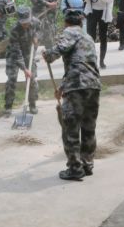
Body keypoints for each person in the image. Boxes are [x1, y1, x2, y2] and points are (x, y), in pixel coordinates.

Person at [42, 9, 101, 181]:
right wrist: (62, 87)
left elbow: (60, 49)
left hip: (77, 87)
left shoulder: (69, 32)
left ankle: (75, 168)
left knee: (71, 128)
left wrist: (49, 54)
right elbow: (80, 64)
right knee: (89, 127)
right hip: (93, 86)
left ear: (66, 22)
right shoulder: (88, 37)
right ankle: (87, 164)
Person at [4, 7, 39, 116]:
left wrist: (36, 37)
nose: (25, 25)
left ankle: (32, 105)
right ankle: (8, 107)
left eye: (27, 22)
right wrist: (24, 69)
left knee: (32, 80)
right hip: (14, 55)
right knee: (11, 80)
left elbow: (40, 30)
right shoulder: (14, 29)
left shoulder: (36, 22)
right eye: (23, 23)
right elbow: (16, 51)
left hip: (28, 53)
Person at [85, 0, 116, 69]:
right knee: (91, 38)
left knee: (103, 38)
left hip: (104, 13)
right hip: (92, 12)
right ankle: (92, 61)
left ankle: (102, 61)